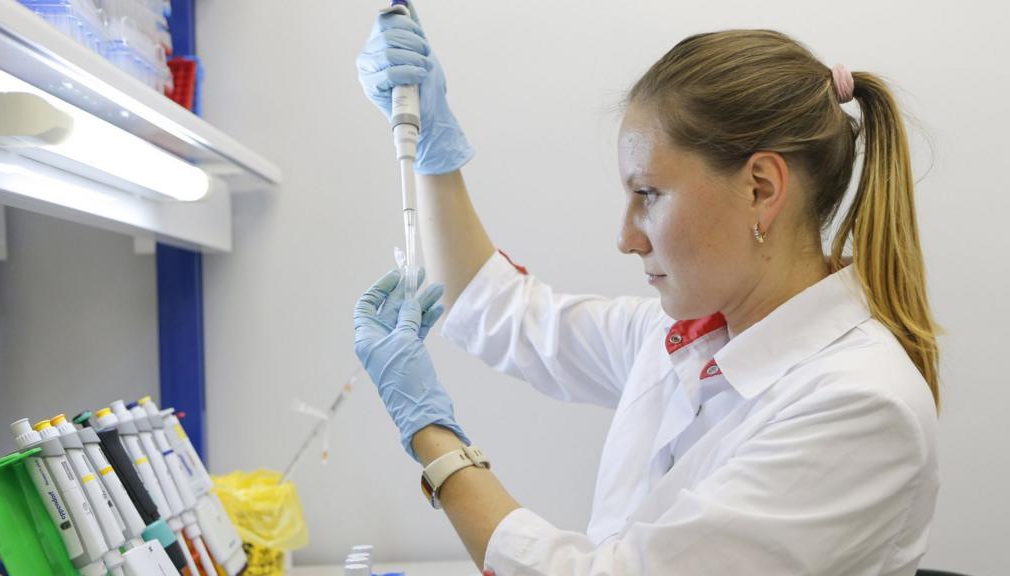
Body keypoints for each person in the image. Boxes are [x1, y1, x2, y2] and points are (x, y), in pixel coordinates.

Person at [353, 6, 940, 575]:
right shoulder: (687, 340)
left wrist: (432, 437)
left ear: (761, 188)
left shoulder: (858, 405)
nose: (626, 238)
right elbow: (499, 310)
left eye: (649, 195)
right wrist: (431, 144)